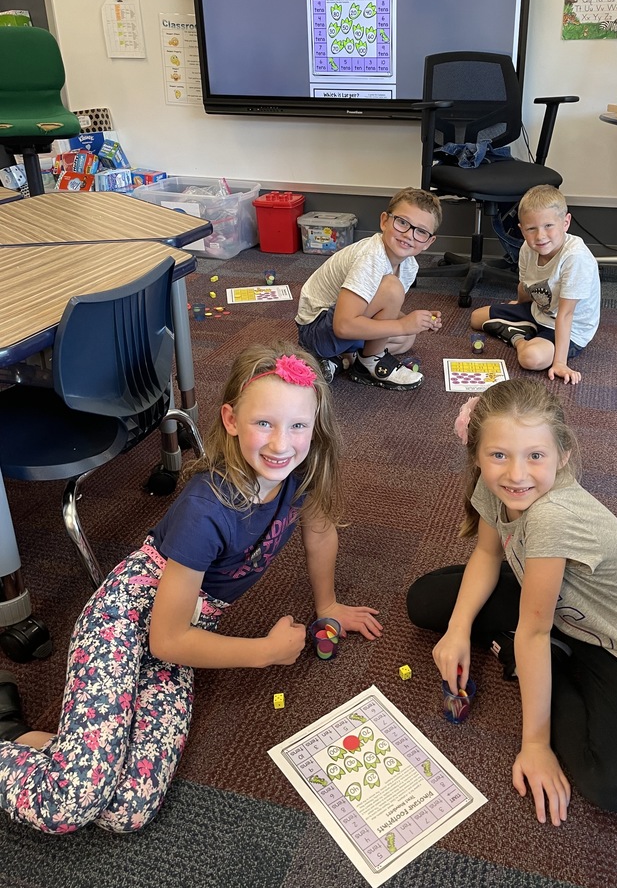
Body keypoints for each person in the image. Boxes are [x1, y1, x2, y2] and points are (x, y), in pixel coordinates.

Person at [0, 343, 381, 834]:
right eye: (264, 423)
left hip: (185, 632)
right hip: (125, 622)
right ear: (230, 419)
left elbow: (320, 530)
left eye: (298, 426)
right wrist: (264, 651)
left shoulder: (302, 470)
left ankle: (27, 738)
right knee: (66, 806)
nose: (281, 444)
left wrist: (327, 604)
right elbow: (166, 639)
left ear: (315, 426)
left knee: (125, 811)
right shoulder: (207, 508)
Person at [407, 380, 617, 825]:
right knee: (426, 602)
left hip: (612, 643)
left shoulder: (551, 515)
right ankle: (533, 658)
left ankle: (531, 660)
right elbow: (488, 554)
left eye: (535, 455)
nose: (516, 474)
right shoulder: (500, 488)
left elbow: (534, 628)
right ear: (477, 454)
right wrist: (458, 629)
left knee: (613, 785)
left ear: (563, 454)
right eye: (498, 455)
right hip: (551, 598)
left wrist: (535, 745)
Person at [295, 187, 443, 390]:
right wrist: (403, 325)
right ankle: (369, 363)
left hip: (342, 323)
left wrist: (415, 322)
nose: (409, 235)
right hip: (316, 331)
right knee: (394, 296)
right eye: (402, 222)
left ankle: (341, 360)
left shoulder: (410, 266)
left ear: (429, 242)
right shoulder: (371, 257)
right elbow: (343, 326)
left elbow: (383, 305)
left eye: (421, 232)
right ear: (384, 221)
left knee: (408, 338)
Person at [470, 185, 600, 385]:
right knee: (476, 318)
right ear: (522, 229)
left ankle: (517, 337)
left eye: (549, 226)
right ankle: (526, 328)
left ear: (565, 223)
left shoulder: (576, 258)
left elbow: (566, 314)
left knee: (530, 358)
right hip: (538, 310)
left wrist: (560, 363)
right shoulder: (527, 248)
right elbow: (526, 285)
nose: (540, 236)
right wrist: (518, 305)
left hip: (569, 327)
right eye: (531, 229)